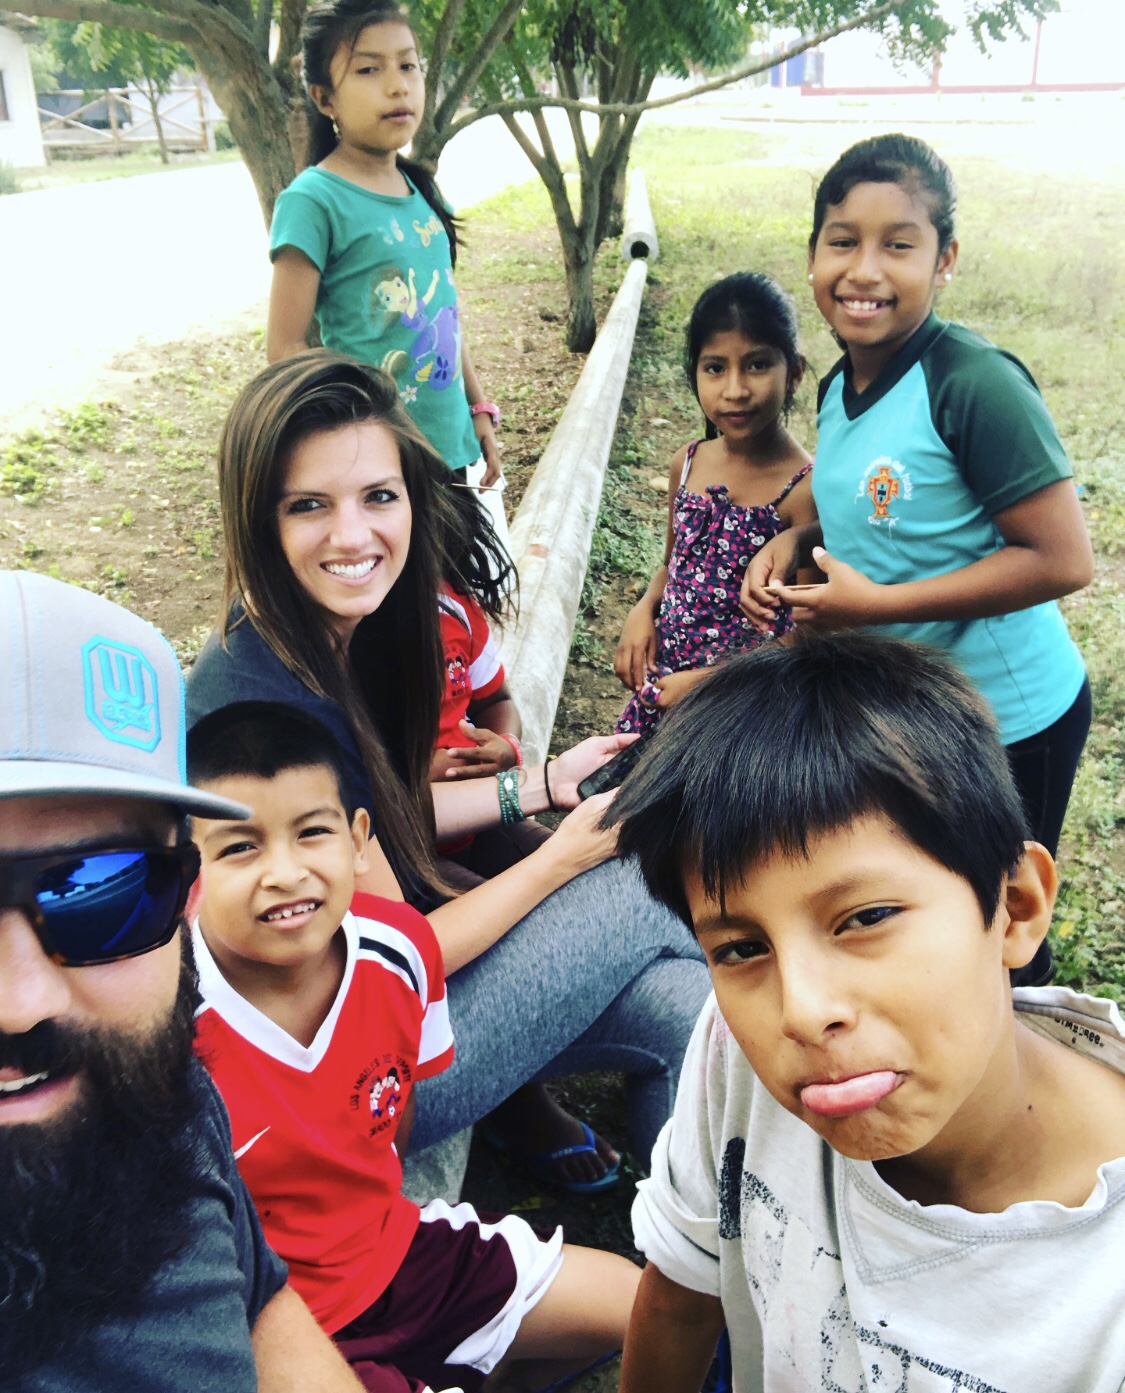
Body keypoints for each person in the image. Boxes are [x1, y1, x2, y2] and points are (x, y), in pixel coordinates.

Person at [185, 350, 711, 1192]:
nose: (352, 535)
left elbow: (383, 821)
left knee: (685, 1006)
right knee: (639, 889)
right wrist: (561, 856)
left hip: (398, 1025)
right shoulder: (264, 705)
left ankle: (688, 1254)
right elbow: (401, 954)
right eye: (308, 504)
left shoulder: (341, 629)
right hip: (356, 1087)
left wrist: (541, 783)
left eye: (378, 496)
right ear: (258, 518)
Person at [607, 634, 1125, 1393]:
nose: (801, 1010)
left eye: (865, 917)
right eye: (742, 948)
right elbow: (681, 1296)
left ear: (1014, 907)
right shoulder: (733, 1050)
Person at [186, 701, 640, 1393]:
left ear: (358, 839)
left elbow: (394, 1121)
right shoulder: (168, 1026)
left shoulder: (396, 947)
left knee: (640, 1305)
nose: (284, 872)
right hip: (276, 1326)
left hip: (396, 1254)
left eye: (312, 832)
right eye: (240, 847)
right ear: (186, 868)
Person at [0, 570, 369, 1393]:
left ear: (183, 903)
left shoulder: (145, 1084)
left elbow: (259, 1302)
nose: (20, 1001)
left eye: (109, 893)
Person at [741, 134, 1093, 986]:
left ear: (944, 260)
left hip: (1010, 718)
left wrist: (874, 609)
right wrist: (795, 541)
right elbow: (868, 508)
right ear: (813, 253)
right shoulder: (839, 384)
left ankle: (1028, 1054)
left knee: (1000, 920)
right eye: (842, 240)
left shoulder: (971, 383)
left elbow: (1061, 559)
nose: (863, 269)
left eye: (897, 244)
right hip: (913, 710)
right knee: (929, 905)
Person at [266, 0, 508, 541]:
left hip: (453, 457)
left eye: (408, 65)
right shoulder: (314, 200)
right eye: (369, 69)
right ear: (324, 98)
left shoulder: (420, 187)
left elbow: (445, 315)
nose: (398, 86)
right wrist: (355, 432)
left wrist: (479, 409)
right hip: (380, 471)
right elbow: (284, 348)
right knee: (405, 595)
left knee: (460, 592)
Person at [613, 272, 814, 735]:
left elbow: (806, 636)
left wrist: (706, 684)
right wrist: (643, 609)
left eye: (757, 365)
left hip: (746, 710)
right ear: (694, 375)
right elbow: (671, 565)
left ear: (794, 373)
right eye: (715, 368)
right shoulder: (687, 463)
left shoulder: (804, 489)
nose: (735, 390)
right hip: (667, 688)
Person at [432, 584, 553, 887]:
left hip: (480, 820)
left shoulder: (455, 606)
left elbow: (496, 701)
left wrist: (507, 747)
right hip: (397, 848)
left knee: (587, 870)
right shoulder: (347, 632)